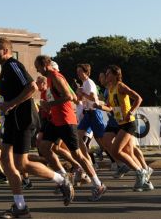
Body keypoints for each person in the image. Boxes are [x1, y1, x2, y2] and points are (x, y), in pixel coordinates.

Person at [0, 37, 74, 219]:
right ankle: (20, 206)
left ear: (4, 51)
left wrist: (11, 105)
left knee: (21, 163)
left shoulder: (13, 65)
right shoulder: (5, 69)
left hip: (24, 119)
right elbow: (8, 97)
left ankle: (62, 180)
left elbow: (31, 87)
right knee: (6, 159)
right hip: (13, 120)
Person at [34, 56, 105, 201]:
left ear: (45, 65)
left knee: (78, 155)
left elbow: (69, 96)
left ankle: (98, 185)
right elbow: (73, 95)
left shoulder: (56, 77)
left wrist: (50, 105)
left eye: (38, 66)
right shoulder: (48, 79)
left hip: (66, 121)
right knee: (45, 147)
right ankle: (64, 177)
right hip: (55, 121)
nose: (36, 69)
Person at [100, 64, 153, 192]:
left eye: (108, 74)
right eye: (106, 74)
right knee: (128, 152)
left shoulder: (120, 86)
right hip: (120, 123)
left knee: (117, 150)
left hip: (129, 123)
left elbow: (138, 98)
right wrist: (99, 106)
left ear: (115, 75)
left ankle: (140, 172)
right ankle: (145, 182)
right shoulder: (111, 89)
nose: (106, 76)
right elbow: (110, 108)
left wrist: (132, 111)